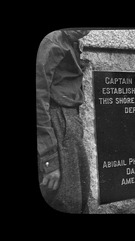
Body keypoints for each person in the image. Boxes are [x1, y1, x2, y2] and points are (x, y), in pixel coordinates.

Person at [36, 29, 90, 213]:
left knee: (79, 200)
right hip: (58, 124)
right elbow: (38, 98)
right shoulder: (52, 41)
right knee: (66, 201)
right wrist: (49, 160)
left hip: (71, 123)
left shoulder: (72, 41)